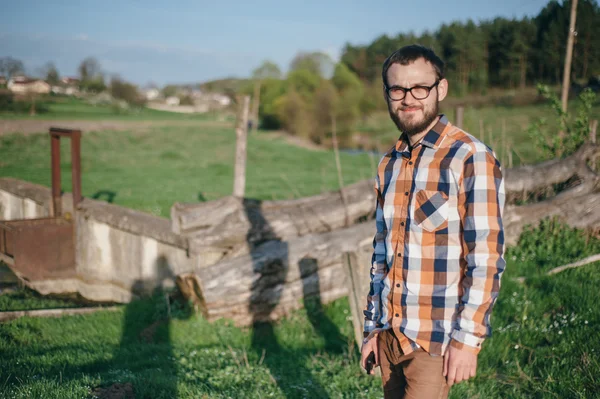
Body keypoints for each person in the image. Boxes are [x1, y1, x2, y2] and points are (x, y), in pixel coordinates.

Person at [360, 44, 506, 399]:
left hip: (434, 341)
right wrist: (372, 329)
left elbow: (485, 259)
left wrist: (467, 341)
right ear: (387, 95)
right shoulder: (389, 163)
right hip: (390, 336)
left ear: (441, 89)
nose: (408, 98)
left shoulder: (470, 157)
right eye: (397, 89)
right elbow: (382, 254)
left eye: (419, 88)